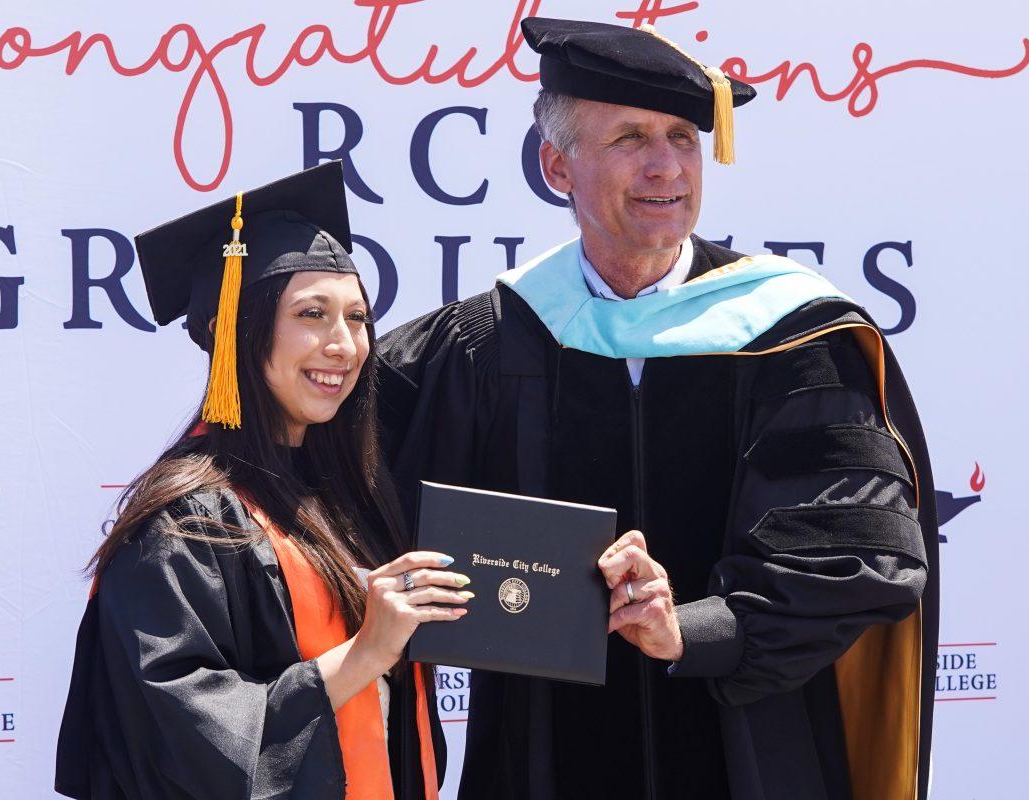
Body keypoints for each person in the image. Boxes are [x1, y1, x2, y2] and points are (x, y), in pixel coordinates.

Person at [377, 17, 939, 800]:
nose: (665, 166)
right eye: (631, 138)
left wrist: (696, 629)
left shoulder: (792, 339)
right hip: (539, 758)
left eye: (682, 137)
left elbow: (861, 558)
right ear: (556, 166)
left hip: (752, 755)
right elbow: (344, 501)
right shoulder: (485, 345)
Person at [55, 163, 471, 800]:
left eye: (357, 318)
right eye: (312, 314)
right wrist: (364, 653)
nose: (345, 345)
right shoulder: (185, 523)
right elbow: (178, 739)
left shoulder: (350, 497)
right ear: (242, 334)